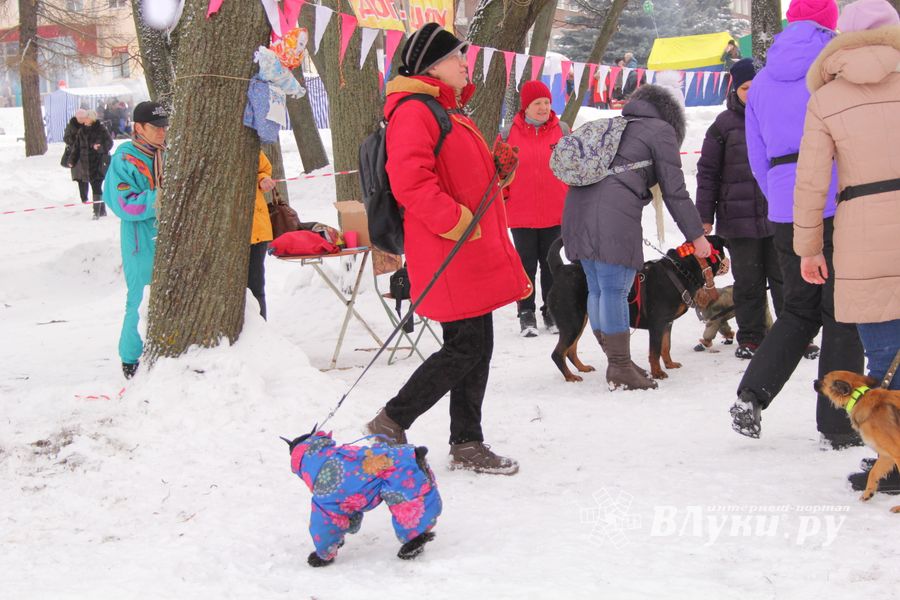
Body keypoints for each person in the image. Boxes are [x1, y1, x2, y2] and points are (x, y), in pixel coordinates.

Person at [364, 24, 530, 475]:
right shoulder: (415, 112)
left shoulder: (447, 110)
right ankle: (393, 420)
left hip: (468, 250)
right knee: (465, 347)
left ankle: (467, 441)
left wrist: (498, 173)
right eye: (458, 56)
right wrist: (455, 223)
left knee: (477, 346)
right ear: (431, 66)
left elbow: (463, 179)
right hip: (449, 249)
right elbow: (411, 182)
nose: (465, 63)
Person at [729, 0, 866, 449]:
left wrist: (782, 201)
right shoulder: (834, 67)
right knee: (841, 314)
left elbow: (756, 154)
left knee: (799, 311)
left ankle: (751, 395)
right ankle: (836, 423)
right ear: (830, 23)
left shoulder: (763, 79)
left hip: (787, 207)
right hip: (836, 197)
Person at [793, 0, 900, 488]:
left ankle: (894, 461)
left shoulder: (826, 99)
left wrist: (808, 247)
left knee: (883, 359)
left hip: (861, 234)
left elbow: (812, 181)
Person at [561, 84, 711, 391]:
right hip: (613, 216)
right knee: (615, 287)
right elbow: (675, 191)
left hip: (576, 212)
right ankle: (619, 366)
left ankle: (619, 361)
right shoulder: (661, 131)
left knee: (598, 287)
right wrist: (697, 236)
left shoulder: (614, 126)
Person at [696, 58, 782, 357]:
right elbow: (707, 173)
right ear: (735, 88)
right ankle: (751, 338)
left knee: (784, 279)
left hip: (778, 214)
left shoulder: (779, 115)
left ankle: (794, 335)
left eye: (758, 86)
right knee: (749, 282)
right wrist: (704, 217)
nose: (753, 92)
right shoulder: (723, 125)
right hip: (738, 220)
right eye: (746, 87)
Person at [102, 101, 169, 379]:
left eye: (165, 126)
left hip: (167, 236)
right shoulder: (124, 158)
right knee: (140, 298)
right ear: (138, 127)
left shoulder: (166, 154)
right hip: (139, 239)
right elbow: (121, 203)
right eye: (156, 127)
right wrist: (158, 199)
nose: (162, 132)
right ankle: (130, 358)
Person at [498, 80, 569, 337]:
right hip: (521, 213)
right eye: (537, 103)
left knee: (552, 263)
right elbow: (499, 172)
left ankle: (551, 311)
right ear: (525, 107)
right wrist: (506, 197)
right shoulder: (508, 134)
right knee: (526, 265)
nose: (543, 108)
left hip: (555, 211)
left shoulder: (562, 131)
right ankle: (526, 313)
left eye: (547, 103)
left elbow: (573, 168)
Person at [64, 108, 113, 219]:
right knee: (95, 187)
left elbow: (109, 143)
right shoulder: (82, 131)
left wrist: (99, 147)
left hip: (99, 163)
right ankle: (102, 210)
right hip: (86, 165)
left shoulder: (101, 129)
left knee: (96, 186)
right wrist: (71, 160)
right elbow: (76, 148)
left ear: (91, 118)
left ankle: (96, 212)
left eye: (86, 117)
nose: (83, 120)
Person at [249, 151, 275, 319]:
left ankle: (260, 326)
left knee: (256, 285)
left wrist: (263, 178)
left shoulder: (246, 138)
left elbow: (264, 168)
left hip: (255, 230)